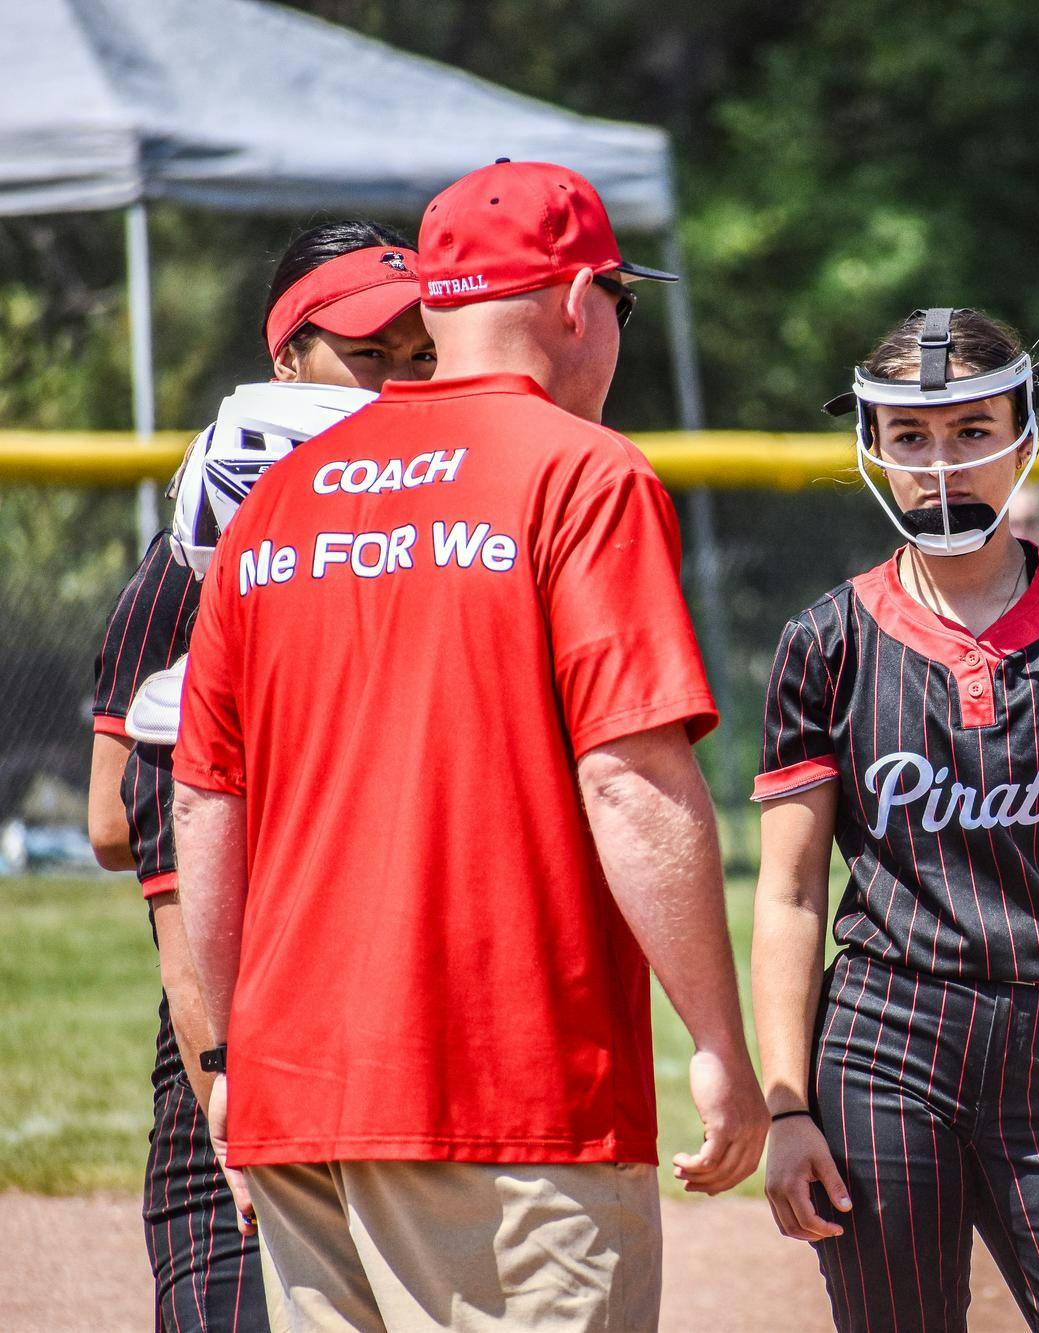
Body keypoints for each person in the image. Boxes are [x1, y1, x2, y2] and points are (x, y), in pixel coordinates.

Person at [170, 160, 766, 1332]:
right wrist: (715, 1043)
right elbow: (630, 777)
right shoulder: (583, 471)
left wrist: (237, 1058)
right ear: (574, 300)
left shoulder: (278, 500)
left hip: (299, 1094)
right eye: (619, 305)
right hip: (506, 1094)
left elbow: (205, 806)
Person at [752, 307, 1039, 1331]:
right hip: (884, 1042)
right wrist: (785, 1106)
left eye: (971, 432)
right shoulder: (824, 639)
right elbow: (787, 894)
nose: (939, 466)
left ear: (1023, 434)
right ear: (871, 444)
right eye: (909, 437)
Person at [87, 217, 431, 1331]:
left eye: (425, 357)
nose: (398, 381)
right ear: (286, 358)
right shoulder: (207, 545)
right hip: (243, 992)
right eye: (369, 355)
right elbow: (115, 819)